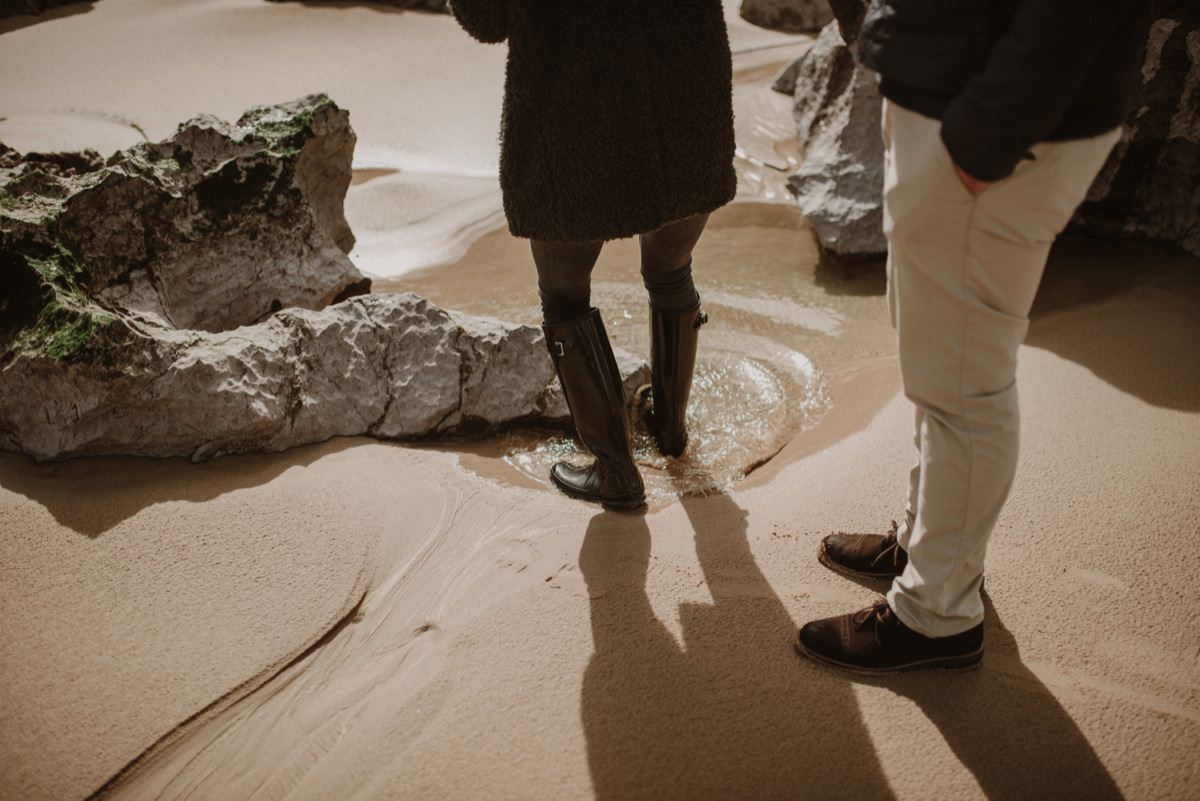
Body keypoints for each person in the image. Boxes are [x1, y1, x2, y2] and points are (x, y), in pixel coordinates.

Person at [796, 0, 1153, 673]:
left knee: (963, 376)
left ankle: (937, 613)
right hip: (958, 96)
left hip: (987, 121)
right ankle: (928, 546)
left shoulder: (986, 128)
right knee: (940, 355)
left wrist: (986, 133)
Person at [449, 0, 737, 510]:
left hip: (577, 115)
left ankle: (614, 471)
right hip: (688, 99)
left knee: (564, 296)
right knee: (671, 271)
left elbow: (486, 20)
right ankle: (669, 431)